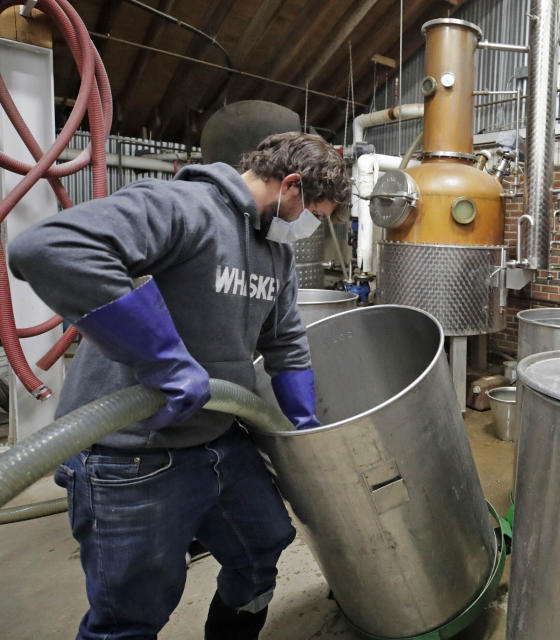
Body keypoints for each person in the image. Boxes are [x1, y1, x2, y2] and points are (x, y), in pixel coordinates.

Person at [8, 131, 350, 640]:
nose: (310, 227)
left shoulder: (274, 251)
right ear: (291, 185)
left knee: (262, 550)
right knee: (132, 615)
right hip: (132, 452)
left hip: (217, 438)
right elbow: (48, 248)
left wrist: (303, 423)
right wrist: (165, 359)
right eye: (315, 214)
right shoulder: (184, 206)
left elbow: (286, 340)